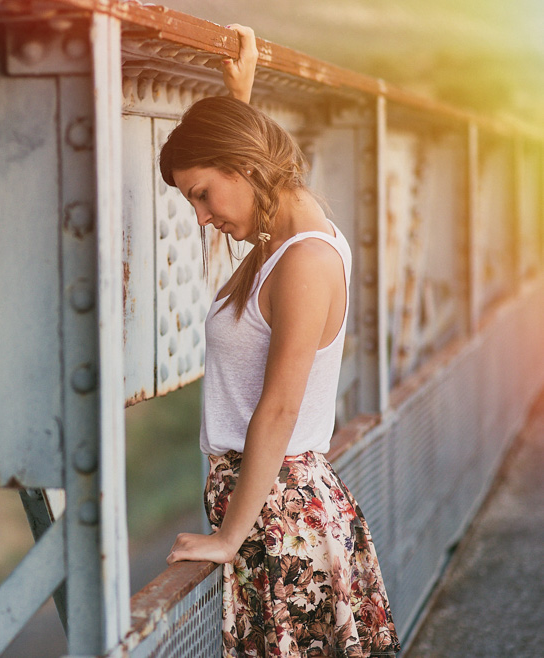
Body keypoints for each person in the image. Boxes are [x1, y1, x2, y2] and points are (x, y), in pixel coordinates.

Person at [160, 25, 400, 657]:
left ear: (242, 167)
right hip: (274, 516)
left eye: (202, 196)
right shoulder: (286, 236)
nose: (202, 218)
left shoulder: (305, 260)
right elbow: (268, 169)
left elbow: (280, 408)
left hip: (278, 525)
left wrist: (228, 537)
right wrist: (240, 96)